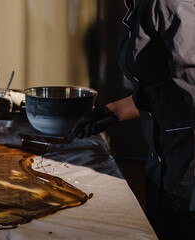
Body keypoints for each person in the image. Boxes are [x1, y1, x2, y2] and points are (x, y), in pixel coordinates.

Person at [69, 0, 195, 239]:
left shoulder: (170, 3)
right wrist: (112, 112)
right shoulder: (140, 5)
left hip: (187, 166)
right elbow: (165, 92)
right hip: (162, 157)